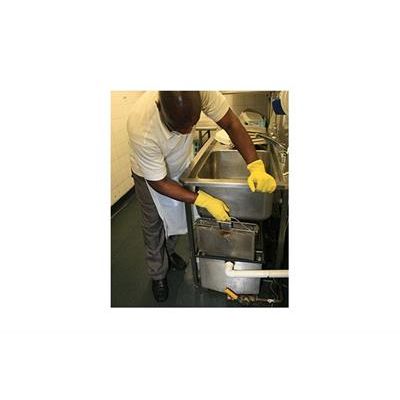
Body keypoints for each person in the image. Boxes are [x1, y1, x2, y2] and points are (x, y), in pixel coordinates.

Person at [127, 91, 276, 302]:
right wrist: (202, 199)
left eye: (192, 124)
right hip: (148, 175)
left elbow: (231, 123)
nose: (188, 131)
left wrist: (255, 165)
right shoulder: (141, 128)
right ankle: (158, 274)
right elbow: (158, 182)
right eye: (179, 128)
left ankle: (169, 253)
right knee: (153, 224)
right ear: (160, 108)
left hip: (180, 164)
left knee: (176, 214)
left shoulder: (201, 91)